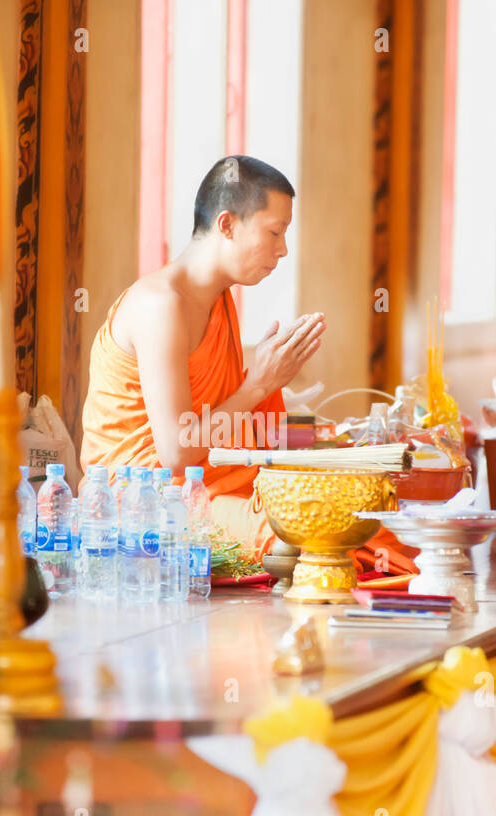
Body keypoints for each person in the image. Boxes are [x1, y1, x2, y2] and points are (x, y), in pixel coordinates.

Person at [80, 155, 414, 574]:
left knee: (357, 505)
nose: (283, 249)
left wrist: (332, 446)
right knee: (304, 533)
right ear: (226, 224)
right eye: (274, 232)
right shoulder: (159, 306)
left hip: (210, 483)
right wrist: (258, 384)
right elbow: (177, 451)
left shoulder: (219, 301)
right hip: (146, 498)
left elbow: (226, 429)